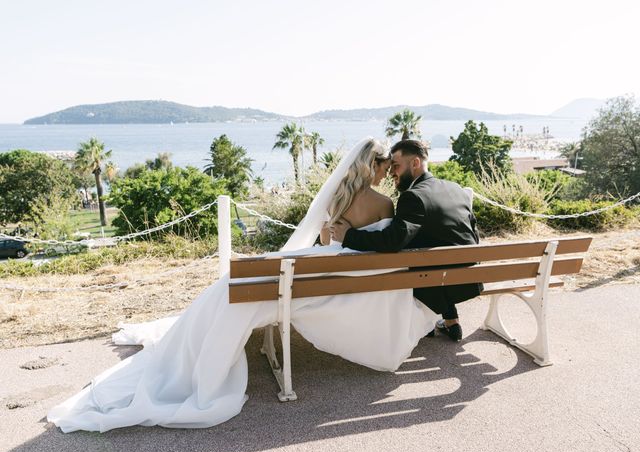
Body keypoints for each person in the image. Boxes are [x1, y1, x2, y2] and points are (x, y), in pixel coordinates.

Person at [48, 138, 439, 433]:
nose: (389, 173)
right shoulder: (386, 206)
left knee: (240, 287)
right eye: (387, 167)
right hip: (338, 280)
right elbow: (374, 248)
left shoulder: (338, 197)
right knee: (263, 287)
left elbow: (325, 241)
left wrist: (335, 236)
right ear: (374, 166)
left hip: (310, 272)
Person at [330, 139, 483, 342]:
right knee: (419, 250)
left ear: (415, 163)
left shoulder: (413, 197)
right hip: (469, 277)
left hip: (438, 280)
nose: (392, 172)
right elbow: (473, 233)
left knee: (400, 264)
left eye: (396, 166)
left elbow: (392, 241)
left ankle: (425, 322)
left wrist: (348, 236)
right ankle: (449, 318)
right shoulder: (455, 188)